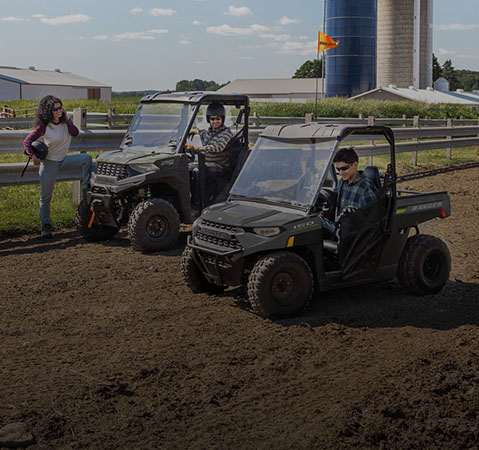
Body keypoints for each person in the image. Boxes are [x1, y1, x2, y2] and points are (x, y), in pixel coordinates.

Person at [23, 95, 92, 238]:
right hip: (49, 163)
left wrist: (67, 119)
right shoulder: (44, 127)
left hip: (64, 160)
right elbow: (27, 142)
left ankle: (86, 187)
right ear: (48, 111)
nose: (59, 110)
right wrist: (34, 157)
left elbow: (76, 133)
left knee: (87, 159)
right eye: (56, 109)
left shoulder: (65, 122)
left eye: (60, 107)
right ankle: (46, 226)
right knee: (46, 198)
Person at [186, 103, 234, 217]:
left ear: (222, 119)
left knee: (197, 172)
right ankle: (186, 201)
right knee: (186, 169)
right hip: (207, 164)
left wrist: (197, 148)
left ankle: (196, 207)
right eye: (212, 119)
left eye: (218, 118)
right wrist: (192, 131)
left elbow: (218, 147)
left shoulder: (226, 133)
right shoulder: (209, 132)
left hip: (220, 166)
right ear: (209, 119)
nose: (215, 121)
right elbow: (202, 133)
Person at [320, 147, 377, 236]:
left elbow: (372, 218)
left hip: (353, 235)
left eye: (344, 168)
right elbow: (333, 196)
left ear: (355, 164)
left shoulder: (366, 186)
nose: (341, 173)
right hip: (339, 228)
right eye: (338, 169)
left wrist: (354, 214)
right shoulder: (342, 182)